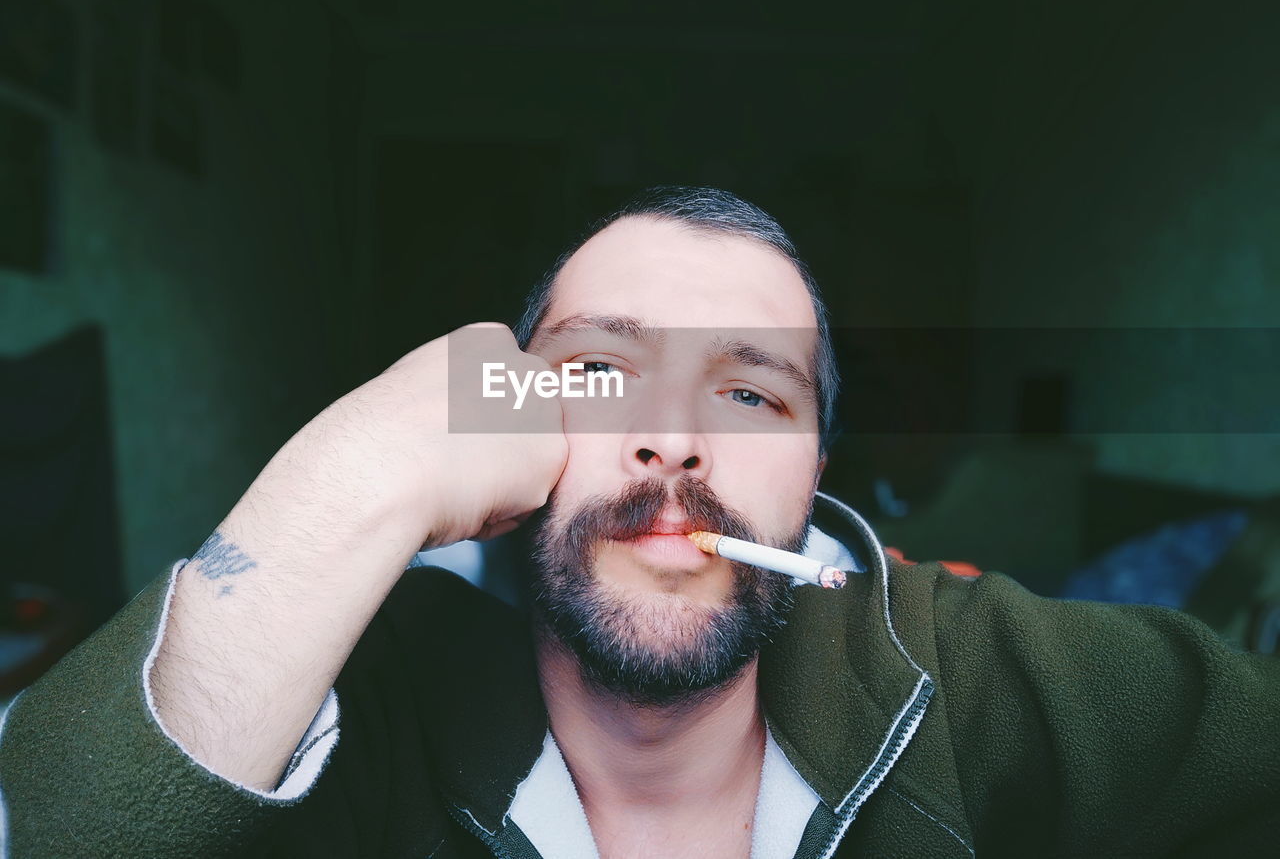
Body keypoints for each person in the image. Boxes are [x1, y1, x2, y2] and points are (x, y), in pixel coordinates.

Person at [1, 187, 1278, 858]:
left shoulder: (987, 682)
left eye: (747, 387)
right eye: (598, 375)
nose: (674, 439)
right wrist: (359, 465)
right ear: (498, 427)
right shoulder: (363, 716)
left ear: (814, 465)